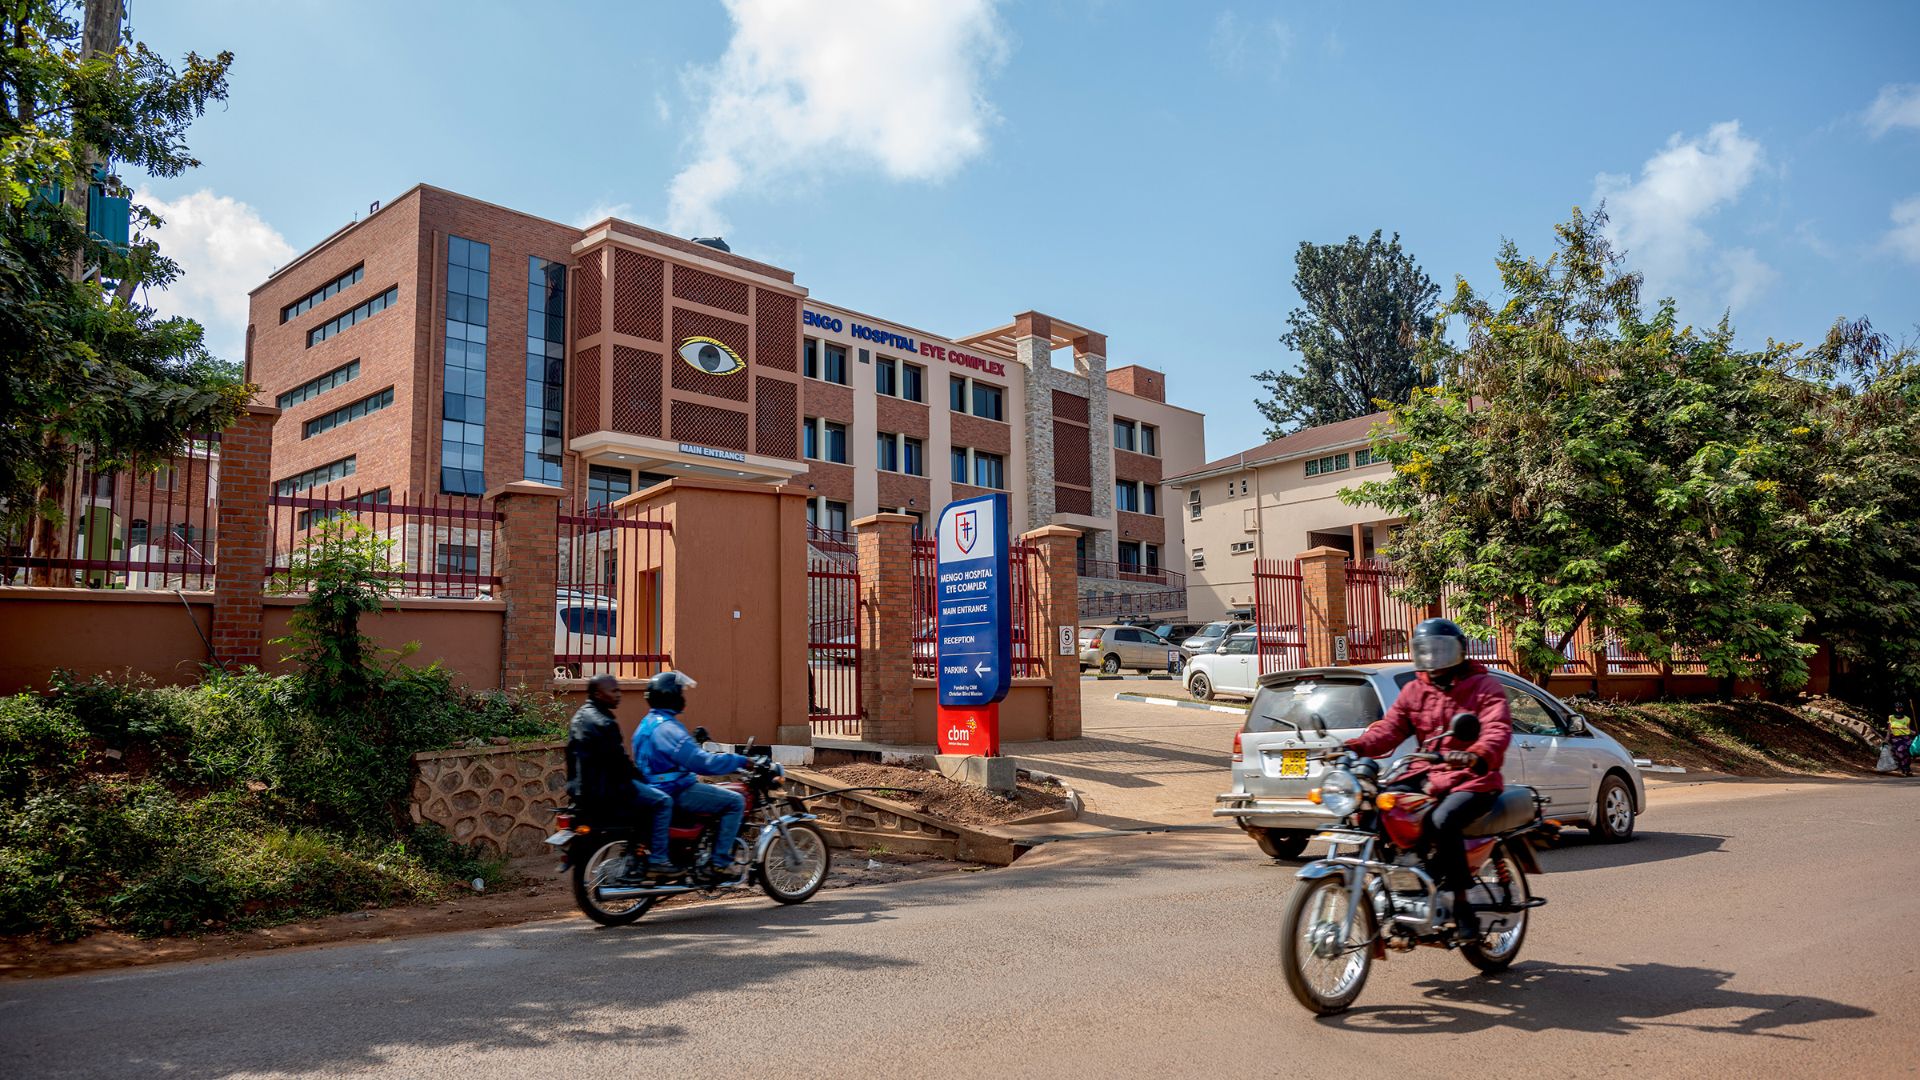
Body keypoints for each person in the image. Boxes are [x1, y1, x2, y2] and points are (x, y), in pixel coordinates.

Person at [1342, 618, 1513, 945]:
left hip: (1474, 778)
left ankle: (1462, 902)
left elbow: (1497, 729)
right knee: (1377, 806)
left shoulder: (1483, 687)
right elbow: (1389, 728)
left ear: (1459, 651)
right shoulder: (1415, 690)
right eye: (1426, 651)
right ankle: (1401, 881)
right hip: (1428, 773)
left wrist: (1475, 754)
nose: (1433, 659)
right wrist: (1355, 745)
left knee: (1442, 819)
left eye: (1441, 650)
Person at [632, 670, 752, 881]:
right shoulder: (668, 728)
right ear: (670, 695)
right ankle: (720, 863)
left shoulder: (648, 723)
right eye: (680, 692)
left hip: (655, 786)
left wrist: (694, 742)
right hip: (676, 790)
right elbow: (702, 762)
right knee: (735, 801)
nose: (683, 697)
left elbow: (671, 755)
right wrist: (740, 760)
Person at [566, 673, 676, 879]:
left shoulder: (581, 716)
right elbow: (620, 763)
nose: (619, 695)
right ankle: (659, 860)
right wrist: (642, 780)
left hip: (582, 790)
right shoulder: (604, 722)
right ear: (599, 694)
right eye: (614, 691)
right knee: (662, 802)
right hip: (606, 791)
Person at [1889, 703, 1914, 778]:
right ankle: (1904, 769)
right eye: (1897, 708)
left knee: (1909, 752)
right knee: (1900, 751)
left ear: (1902, 709)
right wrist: (1886, 739)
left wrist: (1914, 732)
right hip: (1896, 737)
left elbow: (1908, 729)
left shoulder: (1907, 718)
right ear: (1895, 708)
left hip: (1906, 737)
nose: (1898, 709)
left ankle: (1908, 769)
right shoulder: (1891, 717)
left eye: (1900, 708)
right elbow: (1889, 729)